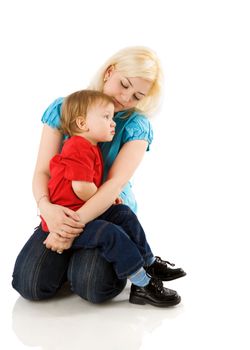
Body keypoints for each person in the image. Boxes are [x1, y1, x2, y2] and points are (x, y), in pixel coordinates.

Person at [12, 46, 186, 306]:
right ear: (109, 72)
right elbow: (42, 171)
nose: (126, 98)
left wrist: (69, 229)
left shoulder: (136, 126)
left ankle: (141, 268)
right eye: (124, 84)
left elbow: (114, 184)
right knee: (29, 284)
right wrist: (47, 209)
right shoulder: (66, 109)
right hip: (64, 210)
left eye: (137, 95)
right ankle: (77, 259)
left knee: (92, 285)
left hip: (105, 208)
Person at [39, 89, 185, 307]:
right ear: (82, 124)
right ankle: (142, 284)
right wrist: (104, 197)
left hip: (85, 211)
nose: (113, 122)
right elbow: (80, 187)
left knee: (124, 214)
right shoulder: (78, 146)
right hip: (66, 218)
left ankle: (149, 262)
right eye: (106, 117)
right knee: (111, 234)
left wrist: (109, 199)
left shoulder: (90, 146)